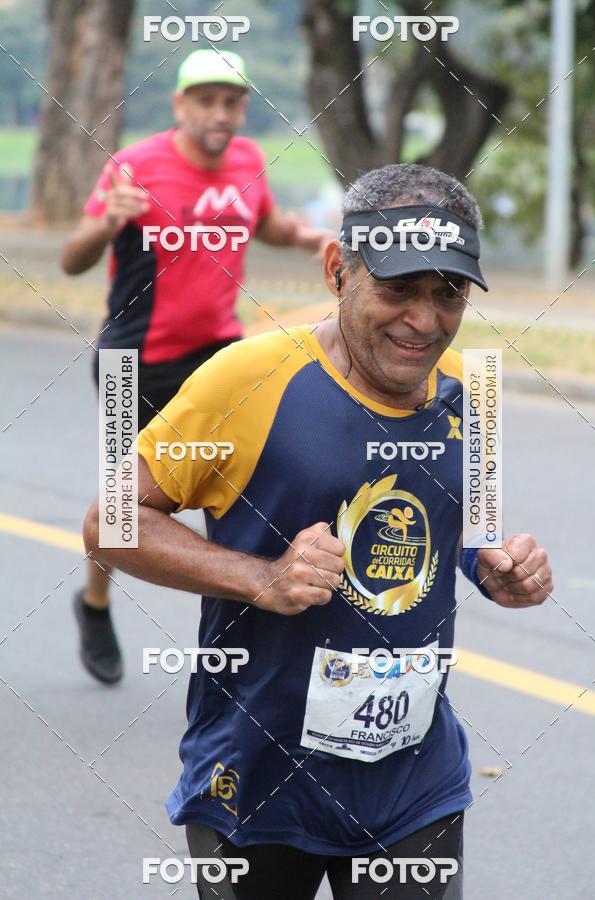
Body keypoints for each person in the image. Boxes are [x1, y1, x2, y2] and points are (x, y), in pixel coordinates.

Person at [84, 163, 553, 898]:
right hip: (258, 782)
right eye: (398, 289)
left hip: (413, 781)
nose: (424, 322)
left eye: (449, 293)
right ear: (339, 270)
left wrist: (495, 567)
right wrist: (261, 579)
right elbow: (112, 521)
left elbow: (467, 525)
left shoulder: (474, 384)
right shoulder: (245, 380)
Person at [62, 49, 332, 685]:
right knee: (125, 511)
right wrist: (108, 225)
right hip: (135, 358)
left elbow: (262, 223)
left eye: (232, 101)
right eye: (205, 100)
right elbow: (73, 259)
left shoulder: (246, 163)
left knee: (241, 493)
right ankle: (95, 602)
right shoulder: (136, 167)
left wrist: (311, 237)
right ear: (180, 106)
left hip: (219, 361)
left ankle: (240, 640)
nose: (220, 112)